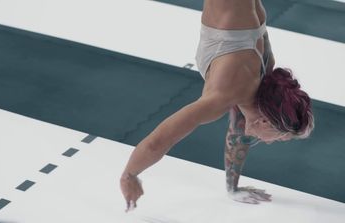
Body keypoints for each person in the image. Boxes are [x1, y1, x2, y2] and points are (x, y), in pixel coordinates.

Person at [120, 0, 315, 212]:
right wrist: (129, 175)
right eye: (277, 138)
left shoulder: (262, 83)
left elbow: (239, 131)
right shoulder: (223, 95)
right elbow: (158, 142)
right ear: (265, 120)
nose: (268, 143)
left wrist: (233, 188)